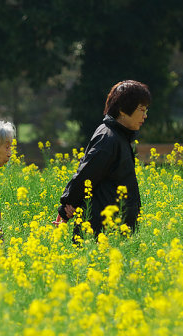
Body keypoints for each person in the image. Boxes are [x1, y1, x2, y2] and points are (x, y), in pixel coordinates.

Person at [56, 80, 150, 242]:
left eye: (146, 110)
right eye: (141, 110)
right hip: (100, 232)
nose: (145, 116)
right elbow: (87, 175)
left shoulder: (119, 137)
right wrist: (67, 205)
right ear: (122, 110)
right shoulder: (109, 138)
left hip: (113, 230)